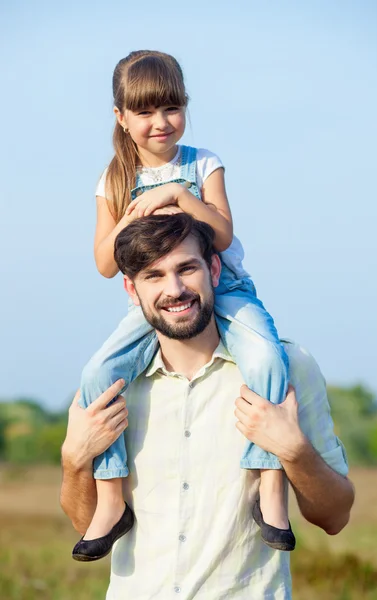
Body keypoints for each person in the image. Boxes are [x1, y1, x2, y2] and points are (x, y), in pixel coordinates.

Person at [61, 214, 354, 599]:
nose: (175, 289)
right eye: (154, 276)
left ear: (214, 268)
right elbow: (88, 524)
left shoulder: (287, 369)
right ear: (132, 290)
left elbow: (335, 517)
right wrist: (74, 460)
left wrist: (293, 450)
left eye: (187, 268)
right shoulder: (107, 386)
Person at [76, 49, 293, 560]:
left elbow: (221, 231)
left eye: (171, 109)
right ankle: (111, 498)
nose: (160, 123)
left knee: (264, 358)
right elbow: (106, 264)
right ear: (121, 117)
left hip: (226, 289)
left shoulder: (202, 163)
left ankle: (269, 486)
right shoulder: (114, 179)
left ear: (185, 108)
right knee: (96, 375)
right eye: (146, 112)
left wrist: (178, 193)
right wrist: (133, 215)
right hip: (158, 301)